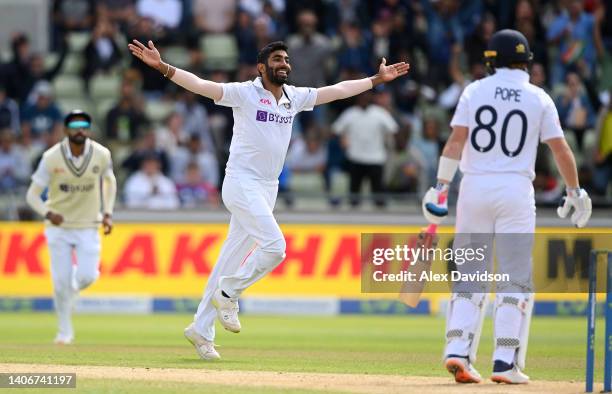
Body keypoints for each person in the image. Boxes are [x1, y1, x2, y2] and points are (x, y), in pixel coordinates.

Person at [128, 38, 409, 360]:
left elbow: (338, 90)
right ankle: (229, 293)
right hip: (240, 183)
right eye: (277, 59)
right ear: (262, 67)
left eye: (286, 59)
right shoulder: (244, 93)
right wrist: (162, 66)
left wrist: (375, 80)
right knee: (275, 247)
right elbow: (201, 85)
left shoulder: (295, 97)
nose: (284, 64)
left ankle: (200, 330)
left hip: (267, 188)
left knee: (228, 262)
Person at [421, 30, 592, 385]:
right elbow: (560, 149)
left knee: (470, 275)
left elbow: (456, 141)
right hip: (515, 189)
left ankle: (457, 351)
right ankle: (504, 362)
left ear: (490, 60)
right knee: (515, 278)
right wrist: (575, 192)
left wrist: (440, 188)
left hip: (473, 188)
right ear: (527, 62)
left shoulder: (474, 90)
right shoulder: (539, 97)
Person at [25, 110, 117, 345]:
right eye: (75, 125)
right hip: (59, 227)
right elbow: (32, 196)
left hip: (88, 224)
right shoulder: (51, 157)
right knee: (60, 283)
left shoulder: (101, 154)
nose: (80, 129)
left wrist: (107, 213)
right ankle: (64, 332)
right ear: (65, 130)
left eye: (84, 125)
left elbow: (110, 181)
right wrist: (48, 212)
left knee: (87, 276)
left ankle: (71, 292)